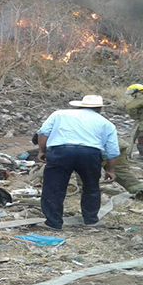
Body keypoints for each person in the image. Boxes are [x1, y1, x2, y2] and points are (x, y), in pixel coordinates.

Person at [37, 95, 120, 230]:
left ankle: (53, 223)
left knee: (53, 188)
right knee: (91, 187)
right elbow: (112, 151)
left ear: (79, 105)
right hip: (90, 154)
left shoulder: (59, 114)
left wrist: (42, 151)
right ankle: (91, 220)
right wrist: (110, 170)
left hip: (61, 151)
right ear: (99, 109)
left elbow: (43, 133)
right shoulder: (106, 123)